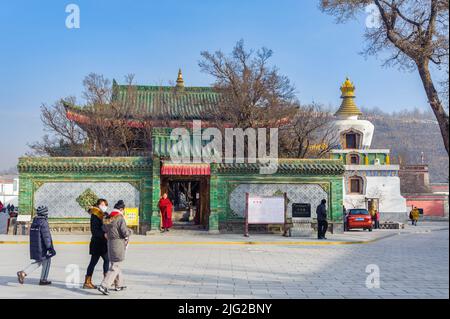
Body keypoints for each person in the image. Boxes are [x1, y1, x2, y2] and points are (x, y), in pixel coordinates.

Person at [97, 200, 131, 295]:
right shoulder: (120, 218)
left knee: (115, 264)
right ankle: (104, 285)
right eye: (123, 210)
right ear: (121, 209)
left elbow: (104, 228)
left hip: (110, 243)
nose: (123, 211)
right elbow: (125, 232)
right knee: (116, 266)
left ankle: (118, 284)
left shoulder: (108, 217)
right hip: (118, 243)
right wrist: (130, 231)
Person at [17, 206, 56, 285]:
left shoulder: (35, 221)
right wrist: (49, 248)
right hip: (43, 247)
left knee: (39, 262)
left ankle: (23, 273)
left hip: (36, 246)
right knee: (47, 261)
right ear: (44, 213)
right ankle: (43, 280)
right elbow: (46, 236)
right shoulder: (43, 222)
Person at [83, 198, 110, 289]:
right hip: (97, 243)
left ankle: (106, 281)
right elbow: (94, 231)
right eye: (102, 204)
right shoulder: (95, 216)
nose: (104, 206)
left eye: (105, 205)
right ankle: (88, 281)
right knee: (93, 262)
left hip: (103, 243)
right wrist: (104, 234)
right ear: (98, 205)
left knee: (106, 260)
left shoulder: (104, 215)